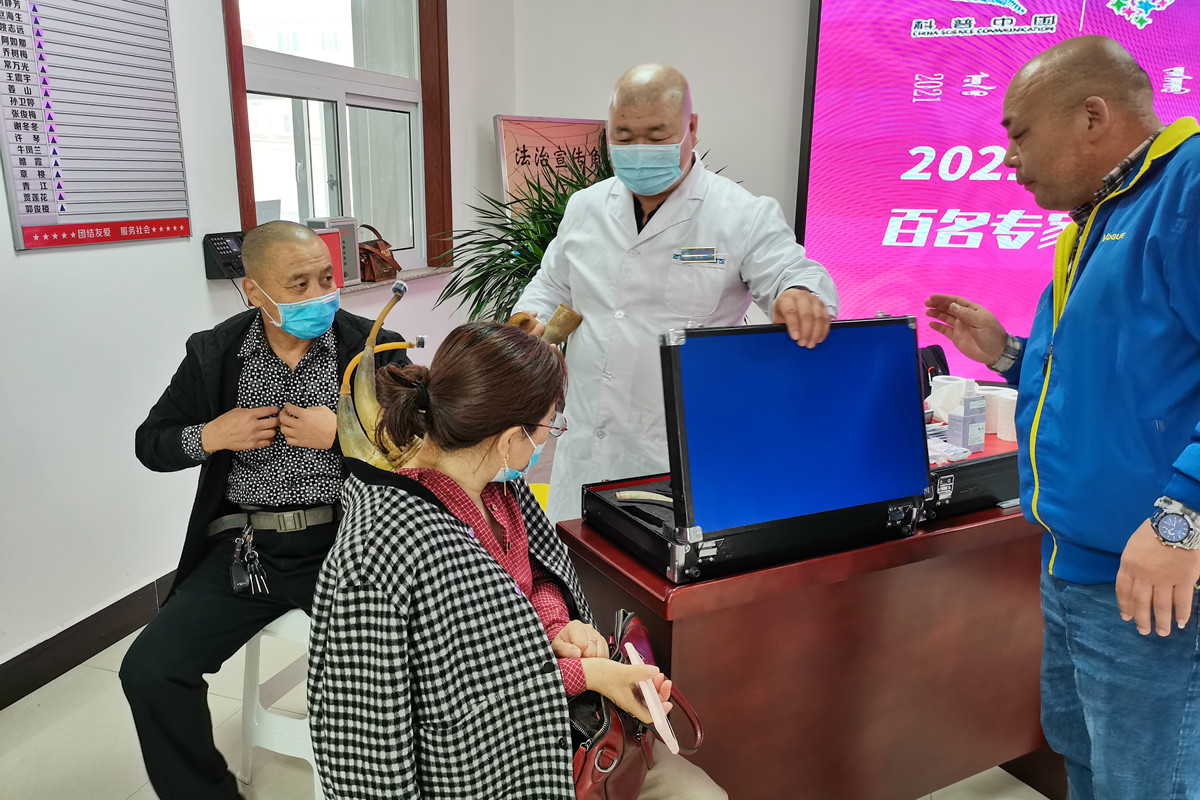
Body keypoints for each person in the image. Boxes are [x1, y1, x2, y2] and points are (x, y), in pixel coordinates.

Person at [925, 36, 1200, 800]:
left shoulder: (1187, 189)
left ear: (1092, 116)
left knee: (1146, 784)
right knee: (1085, 766)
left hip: (1152, 578)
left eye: (1019, 133)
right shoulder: (1094, 221)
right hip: (1074, 567)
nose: (1009, 158)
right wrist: (1009, 353)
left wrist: (1182, 520)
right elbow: (1109, 381)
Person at [308, 321, 726, 799]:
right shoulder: (379, 552)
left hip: (555, 738)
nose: (547, 438)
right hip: (479, 774)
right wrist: (590, 674)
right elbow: (377, 752)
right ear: (509, 439)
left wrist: (556, 627)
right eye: (548, 426)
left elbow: (536, 575)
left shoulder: (500, 487)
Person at [122, 220, 408, 799]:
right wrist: (210, 435)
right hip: (247, 552)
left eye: (326, 279)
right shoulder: (215, 353)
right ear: (254, 291)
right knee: (151, 669)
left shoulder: (375, 347)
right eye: (298, 285)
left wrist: (345, 434)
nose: (319, 295)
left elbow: (420, 452)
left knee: (399, 670)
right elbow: (151, 443)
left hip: (349, 547)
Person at [513, 63, 839, 522]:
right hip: (586, 447)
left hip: (676, 456)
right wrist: (530, 320)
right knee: (577, 561)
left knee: (660, 562)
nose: (639, 150)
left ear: (692, 128)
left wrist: (798, 292)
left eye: (657, 135)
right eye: (624, 137)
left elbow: (792, 270)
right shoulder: (586, 207)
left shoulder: (740, 215)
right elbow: (550, 284)